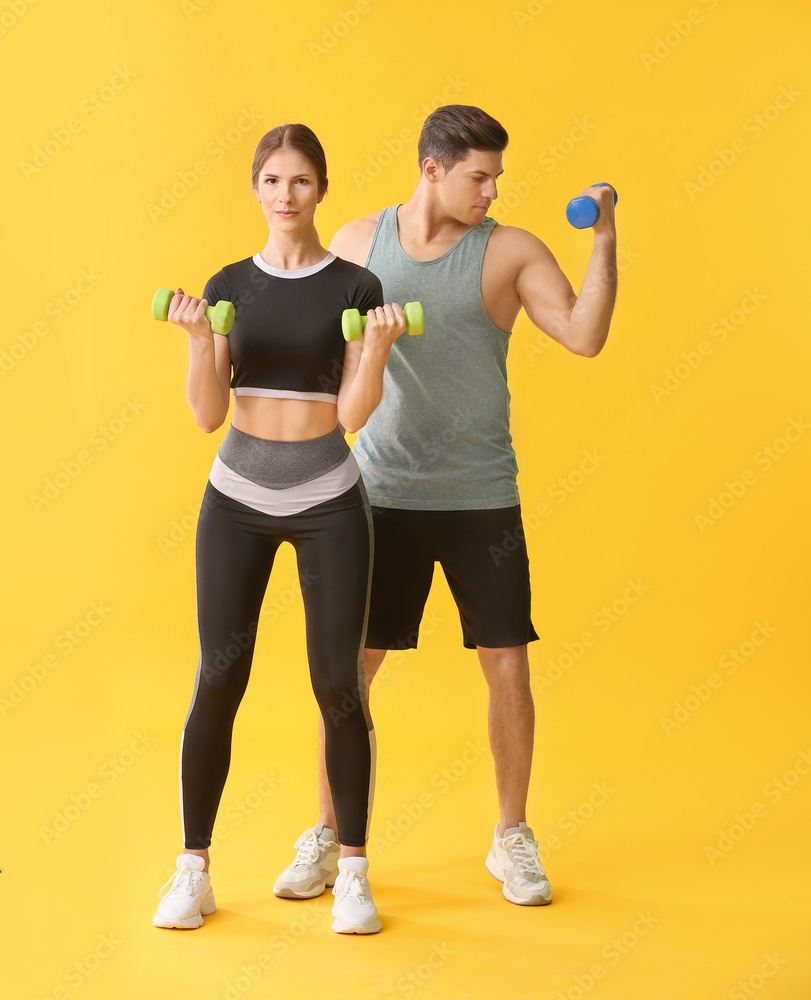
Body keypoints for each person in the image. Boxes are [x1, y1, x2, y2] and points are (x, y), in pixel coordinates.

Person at [275, 105, 617, 907]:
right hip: (380, 493)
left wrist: (602, 241)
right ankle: (327, 835)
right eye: (479, 176)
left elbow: (582, 334)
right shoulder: (359, 244)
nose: (492, 191)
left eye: (496, 177)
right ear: (432, 168)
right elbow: (314, 346)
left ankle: (511, 839)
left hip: (480, 497)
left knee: (506, 669)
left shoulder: (510, 251)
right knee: (348, 675)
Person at [152, 123, 406, 935]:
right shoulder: (230, 284)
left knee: (338, 686)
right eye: (271, 181)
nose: (285, 196)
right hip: (237, 499)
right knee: (217, 681)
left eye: (300, 182)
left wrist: (374, 351)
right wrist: (200, 338)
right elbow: (205, 413)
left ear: (320, 190)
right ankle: (192, 869)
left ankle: (354, 874)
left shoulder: (357, 287)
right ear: (256, 190)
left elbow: (356, 415)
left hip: (329, 497)